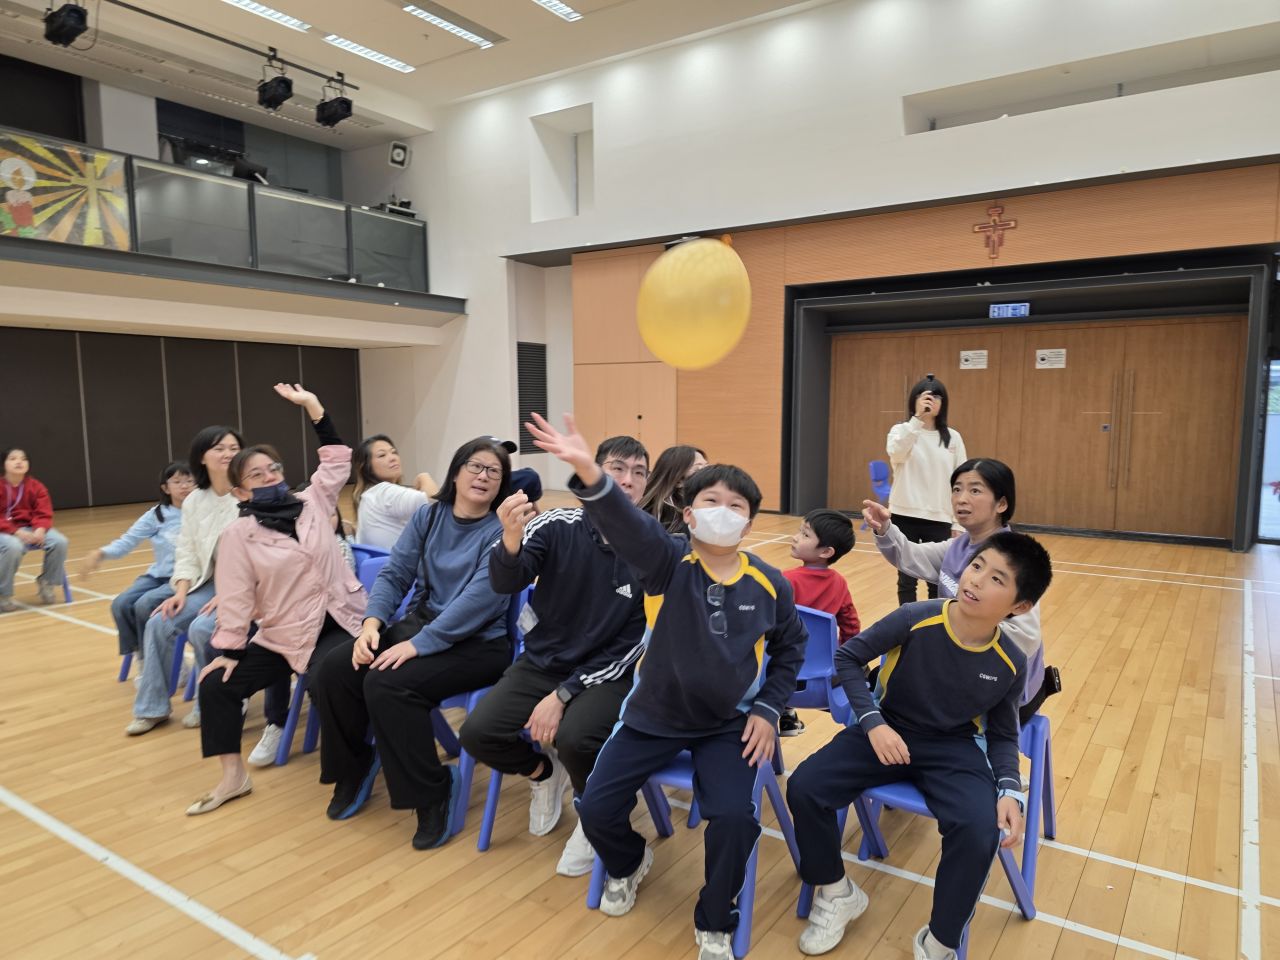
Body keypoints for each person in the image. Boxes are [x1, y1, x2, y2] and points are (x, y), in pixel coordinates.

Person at [525, 412, 805, 960]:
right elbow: (630, 526)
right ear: (687, 513)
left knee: (734, 820)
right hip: (651, 717)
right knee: (596, 806)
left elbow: (791, 647)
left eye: (736, 506)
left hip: (727, 726)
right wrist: (590, 472)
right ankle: (630, 861)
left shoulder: (769, 583)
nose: (722, 512)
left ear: (750, 524)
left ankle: (716, 919)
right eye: (710, 501)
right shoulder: (667, 563)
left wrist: (769, 709)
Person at [786, 531, 1052, 960]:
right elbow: (848, 658)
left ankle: (940, 941)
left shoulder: (1010, 660)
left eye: (997, 579)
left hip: (954, 747)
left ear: (1019, 606)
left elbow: (1003, 734)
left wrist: (1009, 788)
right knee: (805, 786)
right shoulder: (915, 617)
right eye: (977, 566)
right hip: (887, 728)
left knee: (978, 829)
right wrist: (872, 722)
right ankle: (837, 893)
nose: (976, 579)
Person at [308, 437, 512, 850]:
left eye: (494, 471)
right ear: (456, 472)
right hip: (422, 626)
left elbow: (479, 601)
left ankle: (434, 791)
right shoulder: (430, 515)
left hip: (479, 643)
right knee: (334, 669)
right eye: (475, 466)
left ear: (501, 483)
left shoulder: (501, 533)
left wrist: (419, 644)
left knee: (389, 683)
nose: (483, 476)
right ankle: (355, 767)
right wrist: (372, 624)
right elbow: (395, 572)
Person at [460, 435, 649, 877]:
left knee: (577, 739)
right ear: (593, 473)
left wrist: (563, 695)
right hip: (543, 661)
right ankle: (543, 774)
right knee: (478, 733)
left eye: (638, 473)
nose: (627, 480)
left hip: (608, 674)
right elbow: (507, 582)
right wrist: (509, 539)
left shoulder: (652, 548)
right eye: (617, 468)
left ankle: (592, 813)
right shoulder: (557, 525)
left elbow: (632, 645)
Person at [187, 384, 367, 815]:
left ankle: (352, 770)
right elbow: (234, 597)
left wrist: (314, 408)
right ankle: (234, 778)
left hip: (340, 622)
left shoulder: (312, 501)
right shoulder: (238, 535)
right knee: (216, 685)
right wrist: (230, 652)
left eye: (274, 469)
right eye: (257, 475)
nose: (270, 477)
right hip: (285, 634)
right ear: (240, 492)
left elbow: (336, 459)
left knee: (326, 680)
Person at [861, 458, 1060, 723]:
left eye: (975, 490)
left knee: (900, 691)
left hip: (1004, 691)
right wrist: (885, 529)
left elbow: (1024, 639)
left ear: (1001, 504)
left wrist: (955, 641)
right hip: (956, 667)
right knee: (892, 675)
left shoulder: (1015, 559)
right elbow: (911, 556)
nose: (961, 498)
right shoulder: (958, 546)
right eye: (957, 489)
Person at [127, 426, 243, 736]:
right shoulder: (195, 501)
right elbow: (187, 552)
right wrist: (180, 591)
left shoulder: (247, 494)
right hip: (208, 583)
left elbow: (261, 557)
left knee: (203, 627)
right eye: (219, 448)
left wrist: (231, 594)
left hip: (245, 587)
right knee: (159, 621)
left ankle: (213, 703)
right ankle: (152, 708)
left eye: (233, 448)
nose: (228, 454)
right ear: (202, 457)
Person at [83, 462, 194, 661]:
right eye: (177, 482)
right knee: (121, 604)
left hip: (184, 579)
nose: (184, 486)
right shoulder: (156, 515)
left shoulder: (200, 512)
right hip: (158, 575)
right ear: (165, 488)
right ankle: (143, 656)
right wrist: (100, 553)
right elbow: (127, 541)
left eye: (189, 481)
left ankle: (155, 661)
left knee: (145, 604)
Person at [886, 375, 967, 606]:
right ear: (914, 400)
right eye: (925, 396)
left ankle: (935, 621)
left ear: (944, 404)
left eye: (936, 397)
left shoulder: (953, 437)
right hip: (904, 514)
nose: (931, 401)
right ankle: (908, 621)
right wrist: (917, 420)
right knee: (906, 579)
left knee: (938, 579)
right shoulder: (901, 430)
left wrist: (958, 523)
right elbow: (897, 453)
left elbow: (962, 481)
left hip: (940, 517)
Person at [779, 509, 861, 736]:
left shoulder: (785, 580)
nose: (795, 537)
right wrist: (845, 658)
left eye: (805, 534)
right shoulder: (839, 583)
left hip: (779, 674)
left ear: (826, 551)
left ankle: (785, 713)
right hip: (824, 677)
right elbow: (851, 625)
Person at [0, 448, 70, 612]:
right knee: (13, 546)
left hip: (30, 527)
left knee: (60, 542)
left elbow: (44, 512)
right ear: (4, 464)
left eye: (23, 459)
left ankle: (47, 582)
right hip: (5, 530)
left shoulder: (36, 486)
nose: (19, 462)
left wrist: (40, 529)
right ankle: (3, 594)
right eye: (13, 458)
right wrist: (16, 532)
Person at [351, 433, 439, 549]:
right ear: (367, 467)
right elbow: (434, 501)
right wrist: (423, 476)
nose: (393, 458)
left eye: (394, 452)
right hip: (397, 559)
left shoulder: (370, 494)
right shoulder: (384, 492)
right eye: (382, 455)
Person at [637, 444, 708, 534]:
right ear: (678, 481)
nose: (708, 474)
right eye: (698, 469)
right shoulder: (665, 517)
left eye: (707, 467)